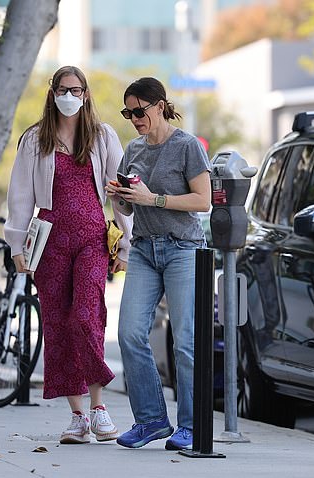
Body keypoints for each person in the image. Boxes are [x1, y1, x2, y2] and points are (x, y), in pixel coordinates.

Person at [4, 65, 132, 445]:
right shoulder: (35, 140)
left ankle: (99, 406)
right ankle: (77, 416)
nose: (69, 96)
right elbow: (20, 197)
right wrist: (16, 247)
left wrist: (126, 243)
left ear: (86, 94)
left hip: (92, 238)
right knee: (58, 325)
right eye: (63, 89)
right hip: (49, 243)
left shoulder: (103, 136)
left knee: (85, 318)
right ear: (52, 93)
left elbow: (122, 193)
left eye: (76, 90)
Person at [105, 77, 211, 450]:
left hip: (183, 249)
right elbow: (131, 206)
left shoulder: (187, 146)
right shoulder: (132, 149)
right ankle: (151, 420)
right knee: (131, 334)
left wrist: (155, 200)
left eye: (140, 111)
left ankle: (192, 426)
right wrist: (121, 198)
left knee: (185, 341)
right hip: (146, 250)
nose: (134, 119)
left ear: (160, 105)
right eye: (128, 112)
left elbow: (203, 201)